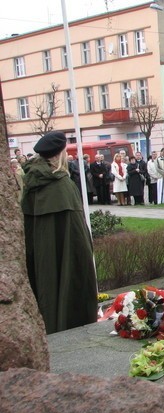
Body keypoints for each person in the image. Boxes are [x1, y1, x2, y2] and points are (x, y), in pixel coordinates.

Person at [21, 131, 97, 334]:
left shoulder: (29, 183)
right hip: (65, 254)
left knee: (45, 284)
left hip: (39, 254)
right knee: (66, 283)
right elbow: (76, 236)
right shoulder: (63, 184)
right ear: (61, 153)